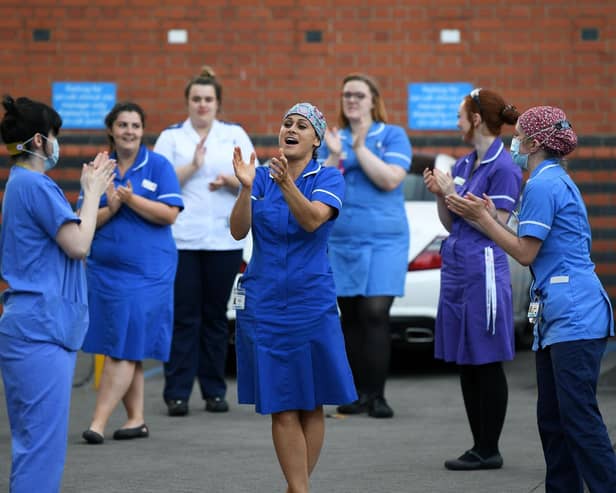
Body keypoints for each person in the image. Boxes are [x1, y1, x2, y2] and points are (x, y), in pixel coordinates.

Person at [446, 106, 616, 491]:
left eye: (519, 134)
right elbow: (527, 238)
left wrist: (484, 221)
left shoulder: (543, 184)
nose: (514, 142)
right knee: (554, 422)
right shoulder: (548, 180)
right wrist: (491, 215)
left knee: (578, 422)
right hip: (560, 317)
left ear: (536, 142)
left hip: (574, 315)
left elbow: (524, 253)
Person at [230, 102, 356, 493]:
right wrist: (247, 186)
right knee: (280, 404)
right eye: (287, 123)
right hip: (263, 303)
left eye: (302, 126)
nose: (292, 129)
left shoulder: (329, 178)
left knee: (311, 402)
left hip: (310, 302)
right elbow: (237, 232)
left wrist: (285, 185)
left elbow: (313, 219)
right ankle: (299, 489)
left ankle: (295, 489)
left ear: (316, 139)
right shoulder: (262, 177)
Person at [0, 95, 115, 491]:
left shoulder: (21, 184)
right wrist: (94, 191)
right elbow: (79, 243)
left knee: (34, 445)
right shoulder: (36, 184)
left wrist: (88, 192)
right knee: (41, 450)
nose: (56, 143)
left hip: (34, 327)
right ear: (38, 141)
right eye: (54, 136)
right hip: (39, 330)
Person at [423, 88, 522, 470]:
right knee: (466, 358)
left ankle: (489, 448)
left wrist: (455, 195)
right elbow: (450, 222)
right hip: (457, 268)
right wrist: (441, 195)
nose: (458, 121)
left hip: (483, 269)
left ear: (477, 118)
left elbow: (495, 224)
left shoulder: (505, 167)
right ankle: (478, 446)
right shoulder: (465, 164)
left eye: (462, 114)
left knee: (486, 358)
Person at [154, 65, 257, 416]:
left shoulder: (234, 134)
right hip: (182, 240)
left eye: (208, 99)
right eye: (196, 99)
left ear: (218, 103)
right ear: (187, 102)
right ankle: (178, 392)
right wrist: (193, 167)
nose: (202, 105)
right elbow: (158, 185)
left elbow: (253, 181)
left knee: (215, 317)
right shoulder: (171, 138)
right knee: (184, 317)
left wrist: (230, 180)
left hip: (223, 241)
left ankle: (214, 391)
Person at [80, 102, 184, 444]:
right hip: (106, 272)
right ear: (111, 129)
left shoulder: (157, 165)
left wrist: (131, 199)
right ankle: (136, 419)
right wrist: (112, 206)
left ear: (143, 130)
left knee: (122, 344)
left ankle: (97, 421)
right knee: (127, 341)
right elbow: (85, 221)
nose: (129, 131)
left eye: (135, 125)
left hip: (148, 273)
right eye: (122, 124)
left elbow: (170, 214)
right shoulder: (99, 167)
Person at [317, 73, 412, 418]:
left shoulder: (392, 135)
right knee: (351, 316)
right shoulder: (332, 139)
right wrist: (333, 155)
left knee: (374, 313)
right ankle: (356, 394)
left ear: (374, 99)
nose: (352, 100)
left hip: (385, 240)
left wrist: (358, 149)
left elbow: (389, 179)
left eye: (358, 94)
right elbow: (320, 186)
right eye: (346, 95)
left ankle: (378, 395)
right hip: (343, 241)